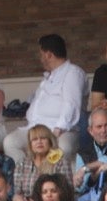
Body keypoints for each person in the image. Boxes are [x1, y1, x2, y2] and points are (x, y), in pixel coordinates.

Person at [5, 37, 84, 166]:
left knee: (63, 148)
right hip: (35, 128)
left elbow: (71, 104)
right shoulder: (49, 75)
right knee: (10, 142)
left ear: (48, 55)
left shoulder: (72, 73)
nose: (41, 58)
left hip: (61, 130)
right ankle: (28, 174)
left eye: (41, 55)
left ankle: (47, 177)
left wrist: (58, 130)